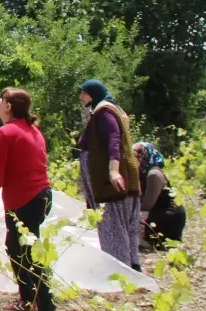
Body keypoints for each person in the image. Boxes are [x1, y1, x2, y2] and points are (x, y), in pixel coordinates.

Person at [0, 87, 58, 311]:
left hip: (26, 202)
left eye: (1, 99)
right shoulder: (32, 131)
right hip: (42, 198)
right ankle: (27, 299)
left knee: (30, 257)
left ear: (8, 106)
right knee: (14, 247)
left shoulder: (4, 134)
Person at [77, 79, 142, 272]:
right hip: (119, 177)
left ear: (92, 94)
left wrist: (113, 171)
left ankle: (119, 271)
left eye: (84, 93)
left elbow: (113, 138)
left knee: (113, 224)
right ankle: (131, 266)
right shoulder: (111, 110)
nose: (81, 97)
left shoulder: (105, 112)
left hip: (109, 181)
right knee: (124, 225)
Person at [134, 142, 186, 248]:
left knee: (134, 214)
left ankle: (146, 241)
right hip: (161, 213)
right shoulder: (145, 172)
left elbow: (147, 205)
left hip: (167, 217)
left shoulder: (153, 175)